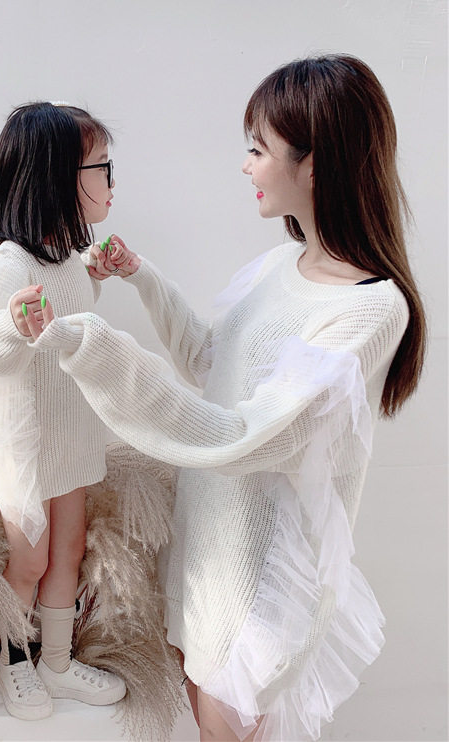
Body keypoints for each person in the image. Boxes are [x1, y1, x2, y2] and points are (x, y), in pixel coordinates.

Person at [27, 55, 426, 740]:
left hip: (258, 583)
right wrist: (143, 278)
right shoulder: (280, 265)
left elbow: (254, 437)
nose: (246, 165)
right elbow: (210, 362)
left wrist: (95, 348)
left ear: (314, 165)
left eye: (258, 148)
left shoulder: (369, 309)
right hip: (210, 549)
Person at [0, 102, 126, 720]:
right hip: (25, 440)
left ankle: (58, 663)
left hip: (68, 431)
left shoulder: (63, 258)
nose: (111, 182)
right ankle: (13, 662)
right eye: (101, 168)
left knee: (68, 552)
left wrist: (95, 271)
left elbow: (70, 302)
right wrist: (12, 327)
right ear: (57, 178)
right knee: (31, 558)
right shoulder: (9, 267)